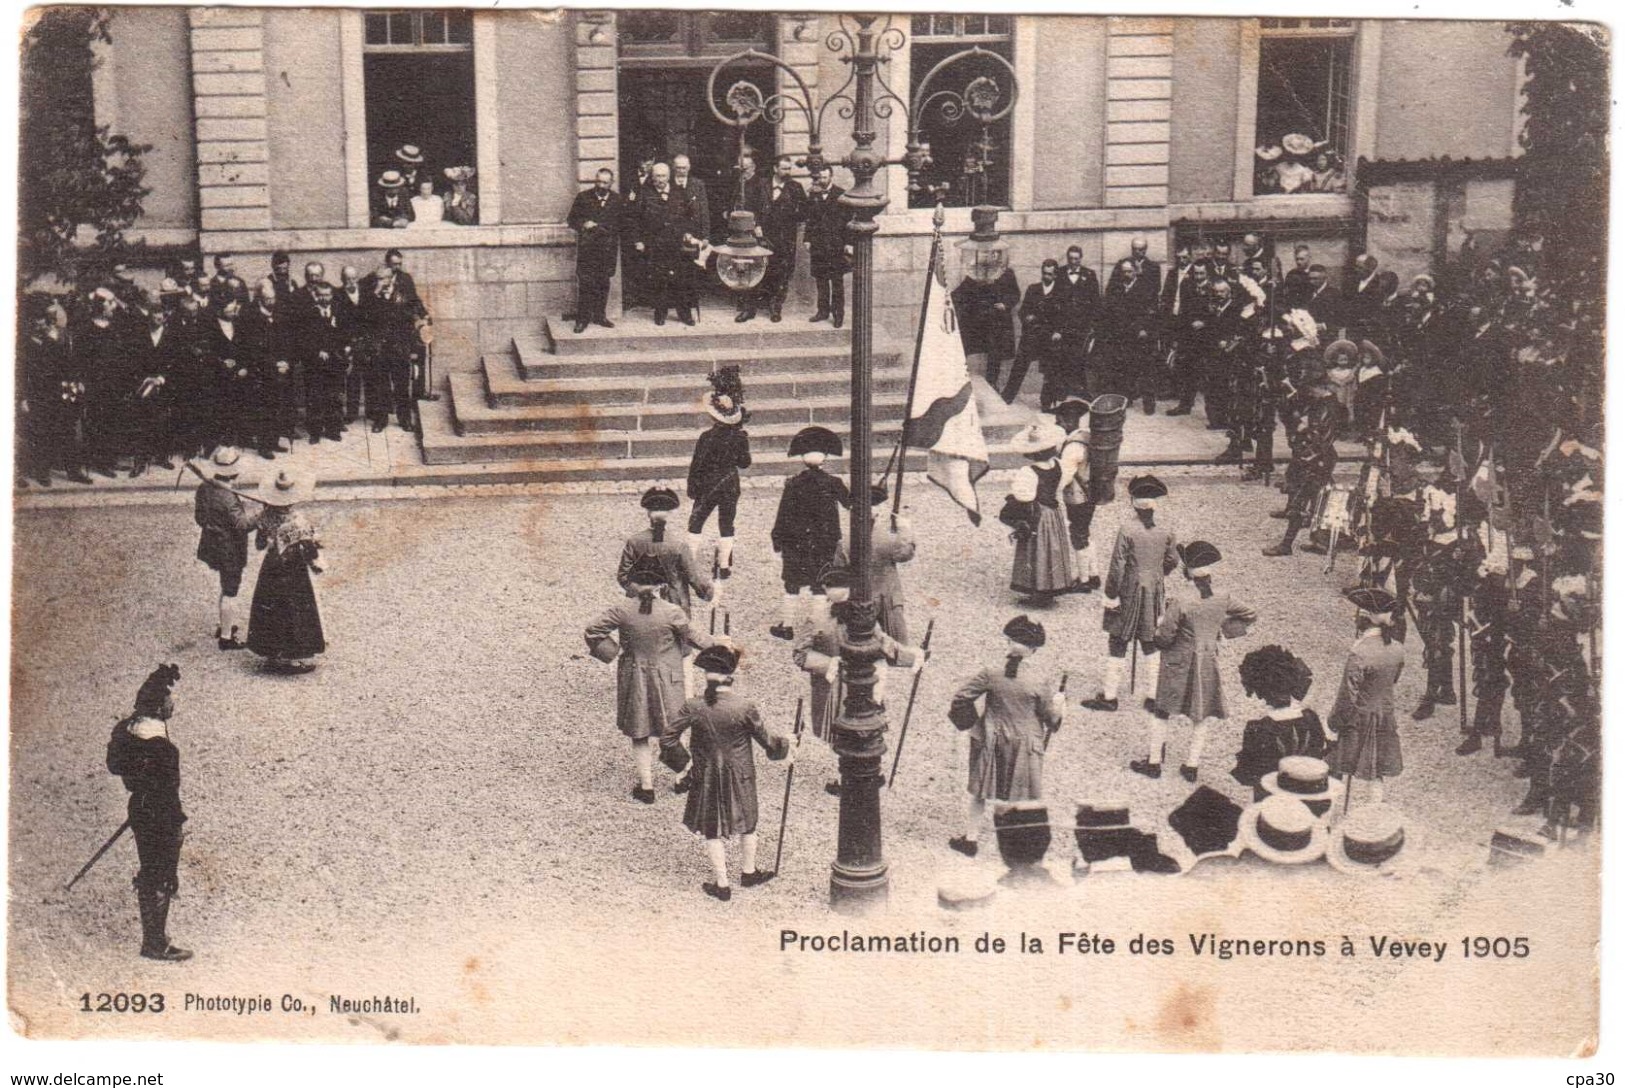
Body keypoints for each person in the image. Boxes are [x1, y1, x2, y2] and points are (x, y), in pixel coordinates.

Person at [584, 562, 719, 803]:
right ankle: (683, 773)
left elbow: (593, 631)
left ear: (634, 585)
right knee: (671, 729)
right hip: (667, 678)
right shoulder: (672, 611)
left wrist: (613, 652)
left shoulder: (622, 610)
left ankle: (646, 786)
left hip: (634, 676)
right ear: (662, 586)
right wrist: (720, 645)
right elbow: (696, 638)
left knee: (639, 731)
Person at [667, 645, 790, 901]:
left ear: (706, 676)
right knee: (749, 823)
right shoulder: (745, 706)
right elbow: (769, 742)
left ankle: (722, 884)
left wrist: (685, 765)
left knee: (711, 829)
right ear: (731, 677)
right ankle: (748, 872)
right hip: (741, 775)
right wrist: (789, 743)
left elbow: (668, 739)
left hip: (707, 774)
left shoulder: (694, 706)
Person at [1134, 540, 1257, 782]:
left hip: (1177, 661)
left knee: (1162, 709)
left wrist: (1159, 635)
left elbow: (1165, 635)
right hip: (1207, 661)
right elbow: (1250, 615)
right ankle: (1192, 765)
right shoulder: (1223, 597)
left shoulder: (1182, 599)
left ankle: (1154, 761)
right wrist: (1221, 630)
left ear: (1187, 572)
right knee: (1201, 712)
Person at [793, 566, 922, 793]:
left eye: (839, 587)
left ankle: (868, 770)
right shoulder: (817, 618)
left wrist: (913, 657)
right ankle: (839, 776)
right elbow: (800, 654)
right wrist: (827, 664)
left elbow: (885, 644)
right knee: (838, 728)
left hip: (864, 681)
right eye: (832, 587)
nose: (834, 591)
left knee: (867, 725)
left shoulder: (864, 616)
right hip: (833, 684)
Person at [946, 615, 1064, 857]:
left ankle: (970, 839)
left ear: (1009, 644)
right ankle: (1017, 847)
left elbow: (960, 698)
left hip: (991, 739)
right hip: (1026, 744)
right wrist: (1061, 706)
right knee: (1019, 795)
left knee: (980, 793)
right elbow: (1051, 720)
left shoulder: (991, 673)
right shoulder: (1040, 681)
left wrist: (974, 725)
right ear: (1033, 651)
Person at [105, 663, 191, 961]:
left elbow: (116, 767)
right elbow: (168, 789)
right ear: (158, 706)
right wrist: (175, 824)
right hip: (160, 812)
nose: (172, 703)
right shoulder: (163, 749)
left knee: (149, 870)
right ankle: (155, 942)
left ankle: (154, 936)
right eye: (168, 699)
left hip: (140, 807)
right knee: (161, 873)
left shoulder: (128, 732)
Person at [1084, 475, 1178, 712]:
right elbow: (1172, 560)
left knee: (1118, 639)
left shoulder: (1127, 529)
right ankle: (1154, 696)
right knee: (1150, 640)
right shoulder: (1166, 531)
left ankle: (1109, 696)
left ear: (1133, 502)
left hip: (1128, 590)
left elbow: (1117, 566)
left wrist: (1111, 595)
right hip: (1154, 591)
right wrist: (1156, 576)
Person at [770, 426, 851, 640]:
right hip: (825, 542)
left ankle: (787, 626)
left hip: (796, 542)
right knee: (820, 584)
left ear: (803, 459)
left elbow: (783, 515)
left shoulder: (793, 484)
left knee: (792, 583)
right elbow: (850, 503)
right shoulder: (834, 483)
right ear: (824, 458)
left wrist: (777, 540)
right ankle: (818, 630)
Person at [1327, 587, 1407, 803]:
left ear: (1367, 618)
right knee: (1377, 772)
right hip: (1384, 716)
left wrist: (1335, 722)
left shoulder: (1360, 652)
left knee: (1341, 769)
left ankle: (1332, 820)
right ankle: (1375, 817)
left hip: (1358, 719)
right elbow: (1393, 679)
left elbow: (1347, 695)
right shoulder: (1398, 649)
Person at [247, 471, 327, 672]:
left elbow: (259, 544)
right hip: (293, 568)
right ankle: (293, 658)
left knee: (271, 607)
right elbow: (310, 548)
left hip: (271, 566)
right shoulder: (297, 520)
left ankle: (272, 655)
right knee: (294, 609)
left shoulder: (264, 516)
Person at [999, 418, 1076, 603]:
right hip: (1053, 511)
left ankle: (1038, 590)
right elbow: (1064, 482)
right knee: (1053, 547)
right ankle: (1052, 585)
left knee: (1036, 549)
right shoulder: (1059, 465)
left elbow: (1024, 496)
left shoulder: (1029, 472)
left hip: (1037, 513)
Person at [686, 367, 752, 579]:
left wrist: (693, 487)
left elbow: (697, 464)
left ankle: (690, 563)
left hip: (709, 484)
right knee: (727, 522)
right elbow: (744, 463)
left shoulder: (706, 437)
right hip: (730, 483)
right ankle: (724, 566)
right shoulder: (740, 437)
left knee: (696, 522)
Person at [1231, 645, 1328, 788]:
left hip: (1270, 800)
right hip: (1306, 797)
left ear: (1260, 692)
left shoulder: (1258, 729)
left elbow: (1247, 777)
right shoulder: (1311, 720)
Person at [191, 446, 257, 649]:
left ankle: (224, 625)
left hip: (212, 545)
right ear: (235, 472)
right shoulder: (229, 498)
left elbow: (199, 518)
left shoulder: (204, 488)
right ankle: (226, 638)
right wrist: (262, 517)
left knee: (225, 586)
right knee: (231, 591)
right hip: (230, 549)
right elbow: (242, 525)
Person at [618, 486, 712, 618]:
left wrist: (641, 592)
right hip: (674, 606)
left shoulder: (633, 542)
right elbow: (693, 577)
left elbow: (623, 577)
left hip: (641, 606)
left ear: (648, 513)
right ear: (668, 514)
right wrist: (707, 591)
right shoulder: (679, 544)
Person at [634, 163, 703, 326]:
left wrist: (688, 232)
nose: (660, 180)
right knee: (659, 280)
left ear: (668, 176)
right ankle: (660, 313)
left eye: (663, 176)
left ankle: (684, 314)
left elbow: (690, 215)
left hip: (677, 244)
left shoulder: (679, 192)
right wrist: (638, 240)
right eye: (657, 176)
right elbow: (635, 218)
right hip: (656, 244)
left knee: (681, 280)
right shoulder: (644, 193)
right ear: (652, 177)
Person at [740, 154, 806, 323]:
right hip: (761, 237)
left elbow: (804, 214)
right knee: (755, 271)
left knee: (781, 274)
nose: (787, 171)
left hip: (785, 240)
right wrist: (756, 225)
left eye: (789, 168)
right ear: (776, 168)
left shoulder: (795, 188)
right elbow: (749, 207)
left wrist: (790, 214)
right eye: (784, 168)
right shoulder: (760, 184)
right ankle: (749, 310)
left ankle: (775, 309)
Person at [240, 279, 297, 457]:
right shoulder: (250, 315)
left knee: (278, 406)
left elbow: (287, 340)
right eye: (267, 299)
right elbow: (253, 348)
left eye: (273, 298)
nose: (271, 302)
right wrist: (274, 364)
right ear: (259, 297)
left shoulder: (279, 312)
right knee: (264, 408)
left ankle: (274, 441)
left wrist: (286, 361)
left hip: (281, 369)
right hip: (262, 371)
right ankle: (264, 446)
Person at [1098, 256, 1162, 409]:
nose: (1126, 275)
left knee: (1145, 368)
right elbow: (1110, 310)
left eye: (1129, 272)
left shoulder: (1145, 288)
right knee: (1124, 366)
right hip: (1122, 333)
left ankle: (1148, 402)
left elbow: (1151, 311)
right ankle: (1127, 397)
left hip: (1140, 334)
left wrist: (1143, 328)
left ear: (1136, 272)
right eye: (1124, 272)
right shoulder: (1116, 288)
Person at [566, 168, 624, 333]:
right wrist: (583, 224)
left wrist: (610, 230)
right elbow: (571, 220)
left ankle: (600, 316)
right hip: (588, 250)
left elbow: (623, 223)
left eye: (605, 182)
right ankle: (582, 319)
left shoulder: (617, 200)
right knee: (586, 284)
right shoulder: (583, 197)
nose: (601, 185)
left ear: (611, 183)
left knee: (603, 283)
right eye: (598, 181)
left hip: (607, 250)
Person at [1053, 397, 1100, 592]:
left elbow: (1065, 475)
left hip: (1077, 496)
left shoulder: (1072, 446)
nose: (1058, 424)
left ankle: (1083, 580)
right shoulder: (1087, 436)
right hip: (1091, 492)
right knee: (1085, 533)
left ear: (1068, 421)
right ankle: (1093, 574)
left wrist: (1052, 491)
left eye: (1060, 420)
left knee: (1078, 536)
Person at [952, 261, 1020, 389]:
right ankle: (961, 382)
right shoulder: (976, 272)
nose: (992, 256)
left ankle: (992, 384)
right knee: (967, 346)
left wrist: (1005, 304)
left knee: (995, 353)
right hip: (980, 321)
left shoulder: (1007, 274)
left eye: (996, 254)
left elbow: (1015, 294)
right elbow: (960, 293)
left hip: (998, 321)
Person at [299, 279, 348, 443]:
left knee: (334, 396)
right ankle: (315, 432)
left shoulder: (339, 311)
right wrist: (317, 351)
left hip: (335, 362)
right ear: (315, 295)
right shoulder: (307, 313)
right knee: (315, 398)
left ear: (331, 295)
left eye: (327, 295)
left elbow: (344, 334)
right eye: (320, 295)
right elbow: (303, 338)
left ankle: (333, 429)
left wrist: (344, 348)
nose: (324, 298)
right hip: (315, 363)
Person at [1009, 259, 1064, 406]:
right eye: (1044, 273)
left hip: (1049, 337)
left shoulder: (1062, 292)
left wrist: (1059, 331)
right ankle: (1007, 397)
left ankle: (1046, 402)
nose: (1046, 277)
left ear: (1055, 275)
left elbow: (1065, 316)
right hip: (1032, 335)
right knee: (1019, 366)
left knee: (1050, 371)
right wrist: (1027, 317)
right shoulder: (1033, 289)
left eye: (1049, 274)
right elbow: (1022, 311)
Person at [803, 163, 852, 326]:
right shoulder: (813, 194)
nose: (822, 180)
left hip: (836, 244)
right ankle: (822, 311)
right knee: (821, 280)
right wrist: (807, 239)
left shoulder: (841, 194)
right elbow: (809, 219)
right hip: (818, 244)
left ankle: (838, 315)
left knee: (836, 281)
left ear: (831, 176)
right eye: (820, 177)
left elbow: (848, 221)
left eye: (825, 177)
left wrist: (849, 243)